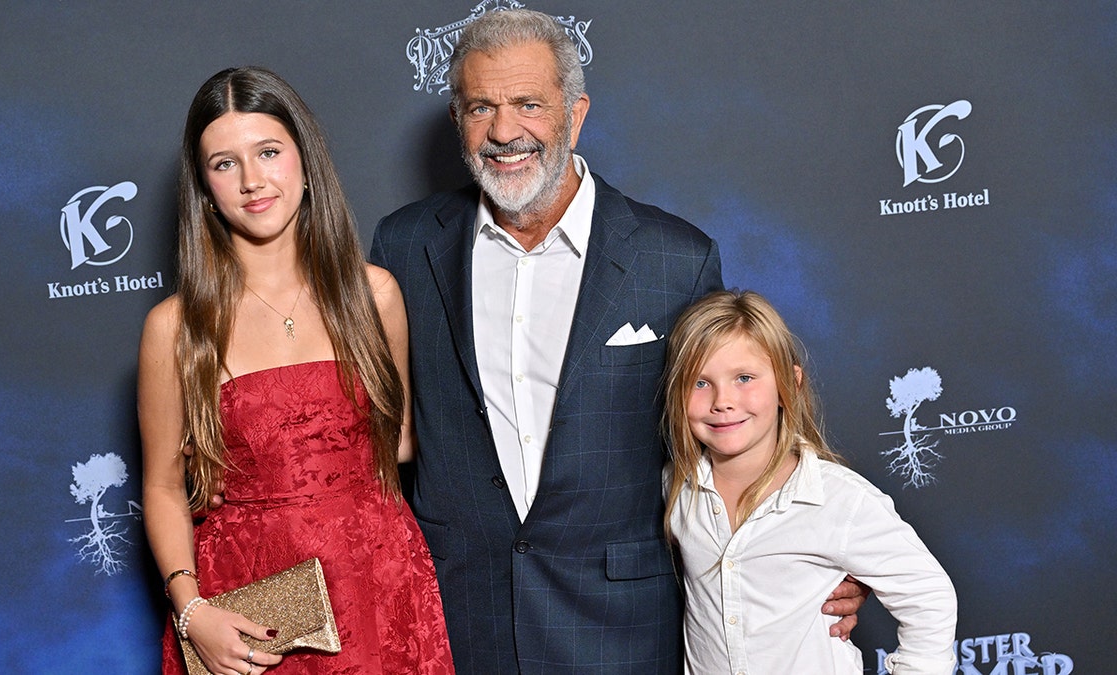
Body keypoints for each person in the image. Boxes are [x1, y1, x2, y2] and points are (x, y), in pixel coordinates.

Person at [369, 9, 866, 673]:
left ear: (574, 115)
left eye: (528, 104)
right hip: (457, 622)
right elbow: (378, 437)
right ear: (458, 118)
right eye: (479, 106)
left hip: (620, 629)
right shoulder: (403, 246)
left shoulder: (674, 259)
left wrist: (810, 550)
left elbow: (733, 429)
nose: (504, 130)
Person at [139, 66, 453, 674]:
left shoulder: (374, 296)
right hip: (251, 602)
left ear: (304, 162)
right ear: (204, 186)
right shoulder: (176, 328)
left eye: (268, 152)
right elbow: (161, 486)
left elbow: (403, 441)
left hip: (380, 584)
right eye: (224, 163)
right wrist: (192, 610)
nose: (252, 181)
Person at [662, 289, 958, 674]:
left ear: (789, 384)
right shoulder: (675, 487)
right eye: (700, 383)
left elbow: (929, 596)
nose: (723, 400)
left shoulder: (840, 500)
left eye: (744, 378)